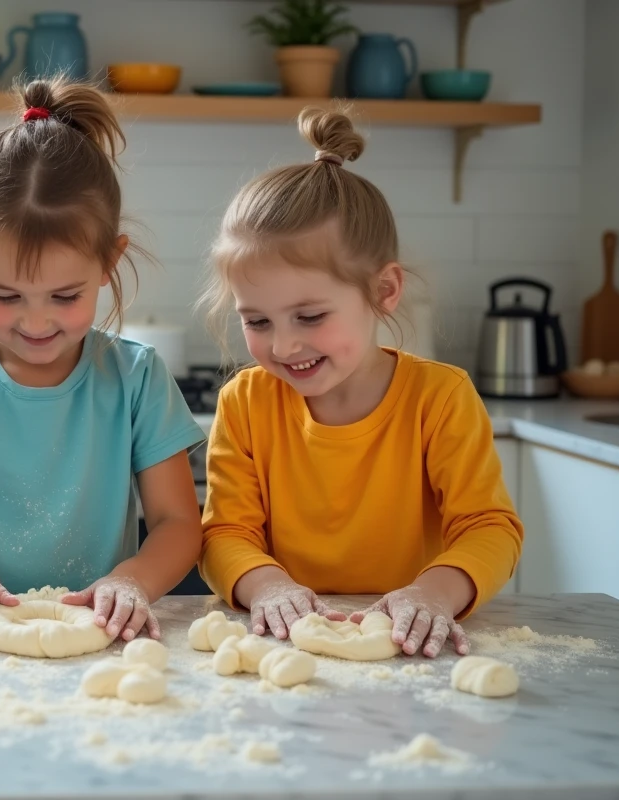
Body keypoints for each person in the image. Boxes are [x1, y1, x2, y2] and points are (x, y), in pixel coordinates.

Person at [0, 78, 205, 646]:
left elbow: (178, 524)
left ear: (109, 262)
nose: (34, 321)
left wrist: (133, 580)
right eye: (6, 296)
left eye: (64, 296)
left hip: (99, 637)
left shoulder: (137, 378)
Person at [197, 107, 524, 658]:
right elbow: (225, 534)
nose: (284, 346)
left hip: (409, 645)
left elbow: (489, 528)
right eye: (257, 321)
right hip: (283, 648)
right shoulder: (245, 403)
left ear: (383, 291)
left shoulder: (440, 398)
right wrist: (266, 586)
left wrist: (433, 594)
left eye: (309, 316)